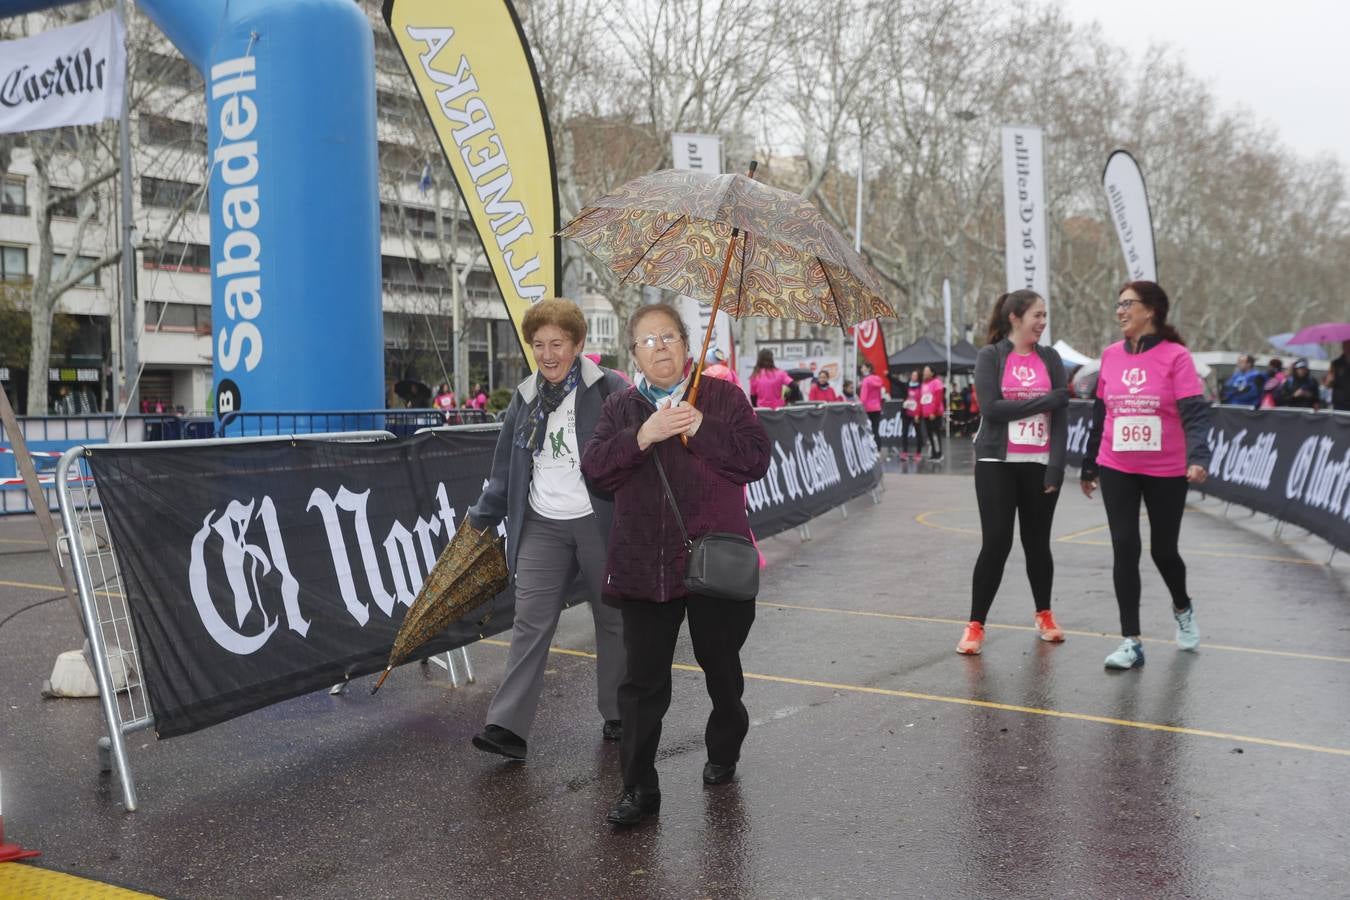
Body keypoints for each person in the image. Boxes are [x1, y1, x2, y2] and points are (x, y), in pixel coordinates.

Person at [580, 302, 771, 827]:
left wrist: (701, 427)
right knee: (642, 686)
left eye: (669, 336)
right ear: (634, 354)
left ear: (688, 345)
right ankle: (639, 790)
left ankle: (725, 745)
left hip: (716, 561)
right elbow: (596, 472)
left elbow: (756, 459)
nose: (660, 347)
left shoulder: (724, 397)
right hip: (645, 564)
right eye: (648, 340)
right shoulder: (622, 407)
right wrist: (644, 436)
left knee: (722, 672)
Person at [465, 298, 629, 761]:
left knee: (612, 618)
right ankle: (507, 727)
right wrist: (479, 519)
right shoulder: (526, 396)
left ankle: (617, 711)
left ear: (578, 344)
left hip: (598, 519)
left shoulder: (610, 389)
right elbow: (504, 474)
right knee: (530, 622)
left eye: (557, 343)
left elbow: (635, 453)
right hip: (541, 523)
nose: (548, 354)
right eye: (539, 344)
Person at [1080, 281, 1212, 670]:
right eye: (1117, 304)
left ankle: (1183, 607)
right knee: (1125, 546)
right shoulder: (1110, 355)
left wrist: (1198, 455)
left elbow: (1195, 413)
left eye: (1128, 304)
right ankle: (1130, 641)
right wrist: (1089, 464)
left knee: (1163, 551)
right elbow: (1100, 414)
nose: (1120, 311)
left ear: (1150, 310)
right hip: (1117, 464)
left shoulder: (1176, 357)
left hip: (1166, 469)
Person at [958, 290, 1070, 654]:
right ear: (1015, 318)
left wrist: (1056, 466)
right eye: (1036, 315)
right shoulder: (990, 356)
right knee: (996, 542)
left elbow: (1060, 418)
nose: (1042, 322)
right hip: (996, 462)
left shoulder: (1050, 358)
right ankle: (975, 625)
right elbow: (992, 408)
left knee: (1038, 544)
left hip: (1038, 464)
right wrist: (1046, 400)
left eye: (1044, 315)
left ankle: (1045, 614)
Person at [858, 361, 890, 451]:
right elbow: (880, 395)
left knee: (867, 429)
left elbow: (863, 395)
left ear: (868, 368)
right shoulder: (878, 379)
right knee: (876, 429)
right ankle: (878, 448)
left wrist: (860, 405)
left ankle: (868, 448)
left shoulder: (866, 380)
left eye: (863, 367)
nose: (861, 369)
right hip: (877, 407)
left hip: (867, 408)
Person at [919, 365, 946, 460]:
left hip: (935, 414)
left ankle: (939, 453)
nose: (924, 373)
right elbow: (922, 399)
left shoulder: (937, 382)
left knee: (936, 433)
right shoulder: (923, 384)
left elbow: (938, 398)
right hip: (926, 414)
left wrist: (933, 412)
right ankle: (934, 453)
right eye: (924, 371)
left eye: (926, 371)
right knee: (929, 434)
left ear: (932, 373)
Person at [901, 369, 926, 460]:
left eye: (915, 375)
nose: (913, 377)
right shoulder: (907, 385)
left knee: (918, 433)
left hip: (916, 414)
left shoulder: (921, 387)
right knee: (904, 433)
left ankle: (918, 453)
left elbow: (920, 401)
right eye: (912, 375)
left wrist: (917, 414)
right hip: (906, 413)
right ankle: (904, 452)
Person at [1329, 340, 1350, 412]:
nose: (1347, 348)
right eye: (1345, 345)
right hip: (1339, 403)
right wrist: (1329, 380)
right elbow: (1329, 384)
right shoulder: (1336, 363)